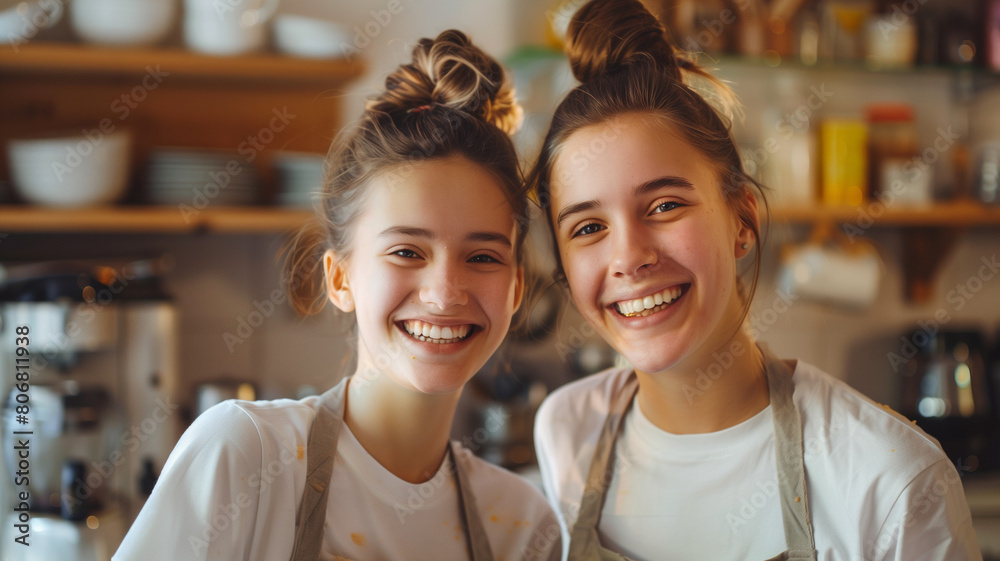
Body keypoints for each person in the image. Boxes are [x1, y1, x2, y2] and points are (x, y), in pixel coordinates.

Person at [528, 1, 982, 560]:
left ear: (742, 220)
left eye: (665, 205)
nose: (628, 257)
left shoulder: (888, 482)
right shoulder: (568, 432)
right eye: (589, 227)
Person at [114, 30, 560, 561]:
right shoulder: (247, 453)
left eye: (482, 257)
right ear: (340, 279)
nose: (444, 294)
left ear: (516, 290)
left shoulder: (522, 523)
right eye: (407, 252)